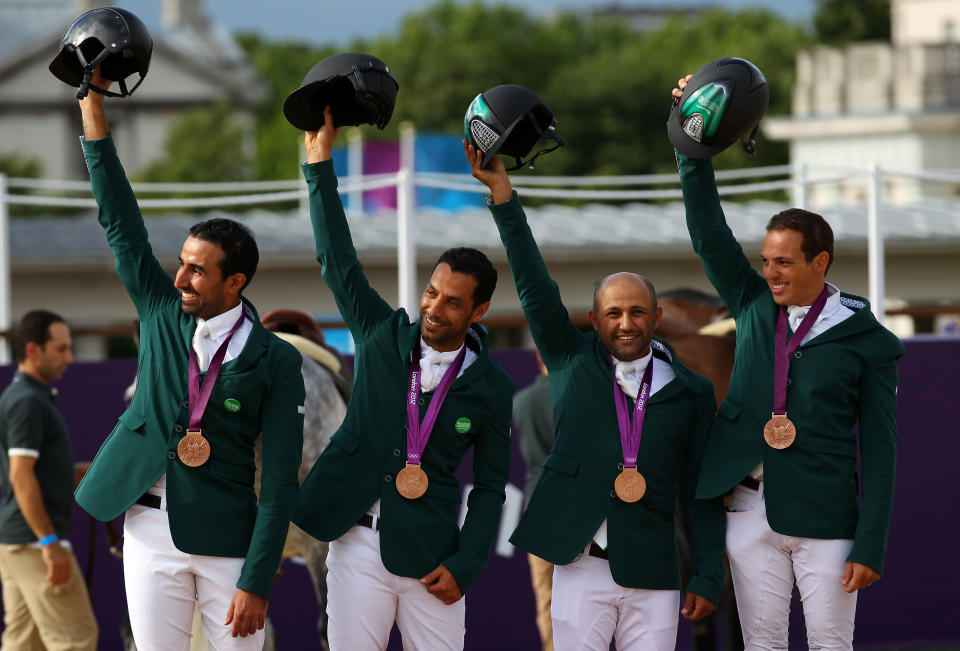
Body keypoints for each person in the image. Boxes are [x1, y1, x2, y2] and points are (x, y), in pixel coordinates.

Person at [73, 69, 305, 651]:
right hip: (148, 529)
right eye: (181, 262)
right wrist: (93, 115)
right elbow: (120, 223)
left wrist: (258, 579)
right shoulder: (159, 308)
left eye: (197, 269)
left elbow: (278, 483)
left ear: (236, 281)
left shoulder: (274, 359)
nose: (179, 277)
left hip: (229, 537)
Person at [673, 74, 905, 649]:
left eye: (784, 262)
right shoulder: (752, 303)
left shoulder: (865, 337)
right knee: (762, 644)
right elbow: (707, 231)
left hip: (826, 517)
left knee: (830, 644)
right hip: (748, 509)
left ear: (819, 262)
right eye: (765, 260)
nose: (770, 272)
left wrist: (871, 543)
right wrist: (690, 144)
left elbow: (879, 447)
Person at [465, 143, 725, 650]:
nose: (625, 323)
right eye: (613, 313)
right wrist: (503, 197)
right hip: (578, 566)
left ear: (657, 318)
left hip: (654, 570)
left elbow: (703, 490)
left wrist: (709, 572)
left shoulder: (692, 391)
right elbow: (535, 287)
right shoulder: (572, 360)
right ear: (594, 320)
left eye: (636, 312)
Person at [291, 107, 514, 651]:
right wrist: (318, 164)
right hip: (354, 544)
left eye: (453, 302)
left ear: (479, 311)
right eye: (432, 292)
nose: (435, 307)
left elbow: (488, 489)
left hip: (433, 557)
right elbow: (336, 261)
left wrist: (467, 561)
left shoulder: (492, 387)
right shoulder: (379, 333)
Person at [0, 310, 98, 650]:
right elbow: (20, 475)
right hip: (33, 544)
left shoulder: (26, 397)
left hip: (18, 543)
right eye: (60, 349)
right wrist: (48, 543)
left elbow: (28, 472)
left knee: (23, 643)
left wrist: (73, 473)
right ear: (32, 350)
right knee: (76, 640)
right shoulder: (27, 402)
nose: (69, 358)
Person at [512, 353, 555, 651]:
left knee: (548, 600)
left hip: (537, 508)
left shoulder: (522, 400)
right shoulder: (585, 396)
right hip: (583, 512)